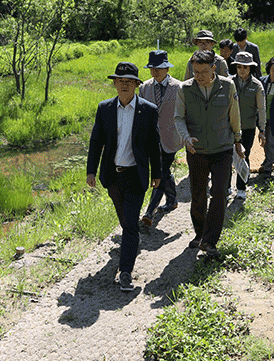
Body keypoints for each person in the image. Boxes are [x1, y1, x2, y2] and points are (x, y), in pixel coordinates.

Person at [86, 61, 162, 291]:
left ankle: (126, 271)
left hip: (135, 175)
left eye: (130, 81)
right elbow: (96, 141)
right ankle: (128, 246)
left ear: (137, 85)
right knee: (125, 220)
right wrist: (91, 170)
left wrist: (157, 173)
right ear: (115, 84)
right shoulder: (105, 108)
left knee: (130, 227)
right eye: (120, 81)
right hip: (112, 176)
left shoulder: (148, 110)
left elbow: (153, 144)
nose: (124, 85)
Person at [175, 49, 245, 259]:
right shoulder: (185, 89)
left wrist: (238, 141)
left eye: (203, 72)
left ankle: (210, 240)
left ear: (214, 68)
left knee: (220, 193)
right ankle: (200, 233)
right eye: (195, 72)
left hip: (222, 148)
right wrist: (185, 137)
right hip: (197, 151)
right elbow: (179, 118)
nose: (199, 77)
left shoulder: (227, 85)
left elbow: (234, 115)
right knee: (197, 195)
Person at [138, 50, 183, 227]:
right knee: (164, 171)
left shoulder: (179, 87)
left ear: (166, 67)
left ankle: (150, 211)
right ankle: (172, 200)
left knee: (161, 171)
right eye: (152, 68)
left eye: (158, 68)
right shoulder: (144, 88)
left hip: (171, 137)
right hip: (152, 139)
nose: (155, 71)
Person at [230, 51, 265, 199]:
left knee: (244, 155)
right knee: (226, 157)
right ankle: (226, 188)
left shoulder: (257, 85)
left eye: (245, 67)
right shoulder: (229, 83)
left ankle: (241, 188)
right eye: (239, 67)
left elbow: (261, 109)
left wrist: (262, 129)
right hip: (229, 126)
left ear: (250, 68)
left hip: (248, 127)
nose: (242, 70)